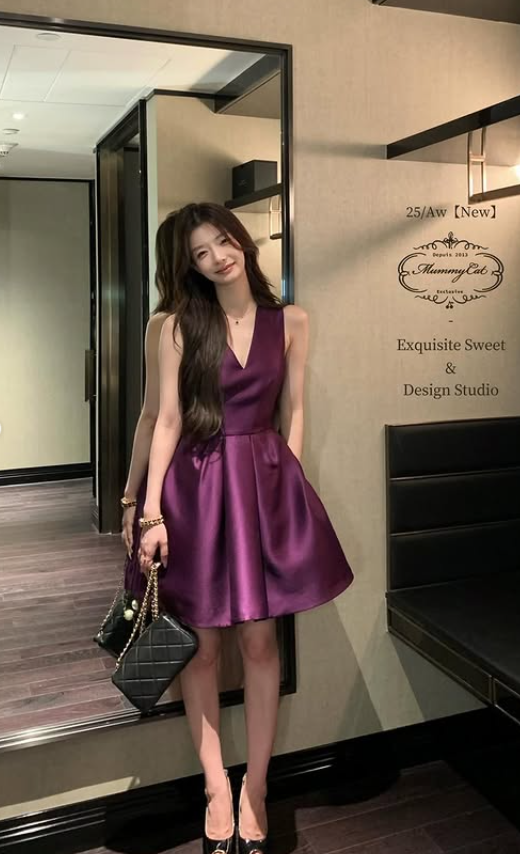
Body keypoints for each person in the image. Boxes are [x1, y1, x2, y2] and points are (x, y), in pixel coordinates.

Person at [134, 202, 353, 854]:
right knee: (200, 648)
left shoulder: (292, 320)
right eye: (199, 253)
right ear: (189, 266)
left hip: (262, 486)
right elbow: (166, 420)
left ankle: (255, 787)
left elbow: (295, 410)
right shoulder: (176, 326)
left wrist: (290, 483)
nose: (216, 258)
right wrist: (147, 510)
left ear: (242, 241)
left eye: (222, 242)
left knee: (259, 642)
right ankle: (214, 787)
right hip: (196, 491)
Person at [120, 211, 178, 555]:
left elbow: (153, 416)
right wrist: (131, 496)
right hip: (179, 474)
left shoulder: (165, 322)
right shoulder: (166, 323)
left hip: (184, 472)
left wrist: (131, 497)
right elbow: (154, 416)